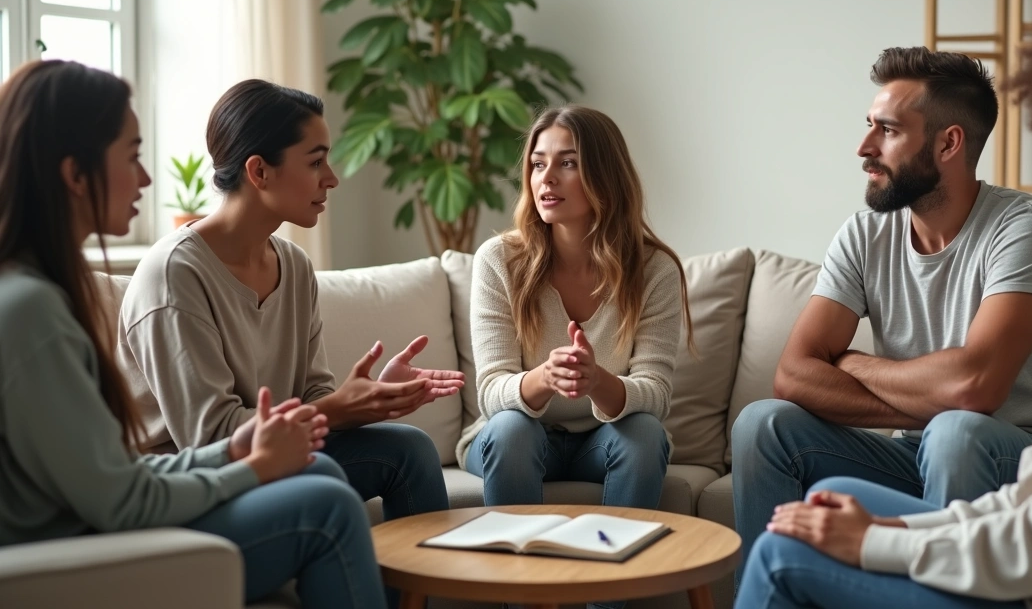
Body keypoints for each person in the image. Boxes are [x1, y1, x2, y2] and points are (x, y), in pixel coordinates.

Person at [735, 0, 1032, 609]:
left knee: (803, 539)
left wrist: (879, 540)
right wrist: (885, 530)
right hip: (1011, 526)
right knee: (778, 462)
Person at [0, 60, 387, 608]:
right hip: (75, 555)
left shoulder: (35, 293)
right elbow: (121, 500)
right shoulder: (32, 309)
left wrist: (236, 447)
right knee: (326, 508)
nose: (146, 179)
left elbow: (112, 475)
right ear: (74, 173)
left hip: (97, 525)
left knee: (330, 475)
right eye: (132, 156)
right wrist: (249, 466)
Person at [730, 45, 1032, 577]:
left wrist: (853, 364)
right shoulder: (864, 234)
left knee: (957, 433)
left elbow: (975, 388)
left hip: (1015, 461)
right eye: (869, 125)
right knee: (763, 425)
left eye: (887, 131)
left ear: (948, 143)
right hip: (916, 452)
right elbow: (794, 374)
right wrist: (928, 402)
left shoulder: (1023, 227)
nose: (863, 147)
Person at [117, 79, 463, 524]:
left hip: (272, 456)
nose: (332, 178)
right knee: (316, 470)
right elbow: (208, 442)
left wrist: (370, 397)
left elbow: (313, 397)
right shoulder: (174, 274)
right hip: (190, 485)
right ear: (259, 171)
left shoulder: (294, 266)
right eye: (316, 161)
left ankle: (420, 593)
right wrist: (337, 407)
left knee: (409, 449)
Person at [458, 105, 694, 510]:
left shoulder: (654, 269)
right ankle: (515, 571)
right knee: (512, 430)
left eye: (567, 162)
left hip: (602, 441)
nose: (545, 178)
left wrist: (595, 380)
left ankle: (619, 565)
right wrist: (547, 377)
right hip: (517, 437)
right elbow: (492, 396)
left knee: (645, 434)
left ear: (606, 175)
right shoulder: (498, 260)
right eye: (536, 164)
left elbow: (656, 396)